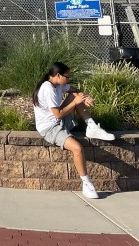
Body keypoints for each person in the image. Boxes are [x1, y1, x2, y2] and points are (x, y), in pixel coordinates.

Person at [32, 62, 115, 199]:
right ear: (58, 75)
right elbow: (57, 114)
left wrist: (84, 97)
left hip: (58, 121)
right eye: (67, 76)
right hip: (50, 128)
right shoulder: (48, 88)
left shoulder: (58, 84)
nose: (68, 79)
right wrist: (75, 102)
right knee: (77, 148)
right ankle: (86, 184)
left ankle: (92, 127)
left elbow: (74, 90)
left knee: (76, 96)